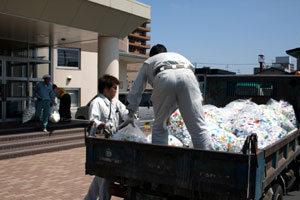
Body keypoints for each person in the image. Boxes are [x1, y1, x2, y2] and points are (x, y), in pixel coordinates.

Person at [124, 44, 213, 150]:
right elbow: (186, 82)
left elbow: (137, 88)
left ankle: (161, 162)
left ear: (151, 55)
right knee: (198, 127)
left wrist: (131, 113)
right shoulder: (178, 56)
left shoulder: (150, 61)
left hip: (163, 76)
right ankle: (208, 161)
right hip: (188, 75)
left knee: (159, 127)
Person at [84, 74, 128, 200]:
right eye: (114, 88)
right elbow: (93, 121)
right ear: (105, 89)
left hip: (112, 142)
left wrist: (131, 117)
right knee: (106, 175)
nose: (115, 91)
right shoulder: (97, 102)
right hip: (101, 144)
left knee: (101, 176)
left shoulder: (114, 102)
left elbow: (124, 112)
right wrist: (104, 125)